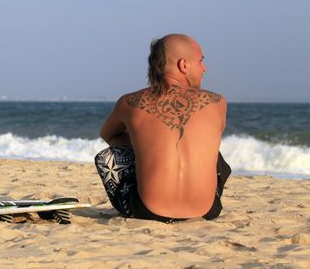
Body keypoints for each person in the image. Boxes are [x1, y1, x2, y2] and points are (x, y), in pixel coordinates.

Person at [95, 34, 231, 223]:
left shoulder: (129, 102)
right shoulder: (217, 102)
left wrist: (143, 146)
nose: (204, 68)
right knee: (211, 152)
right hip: (208, 210)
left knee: (108, 155)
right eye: (201, 61)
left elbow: (107, 135)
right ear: (184, 65)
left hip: (145, 210)